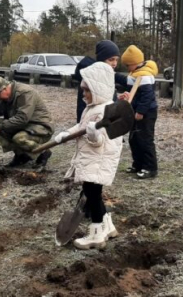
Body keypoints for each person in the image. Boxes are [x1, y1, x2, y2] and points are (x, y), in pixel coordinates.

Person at [54, 62, 122, 250]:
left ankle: (97, 234)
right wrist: (65, 134)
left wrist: (94, 135)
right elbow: (81, 127)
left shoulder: (106, 111)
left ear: (98, 89)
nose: (83, 95)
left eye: (87, 91)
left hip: (97, 161)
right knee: (94, 194)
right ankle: (108, 226)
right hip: (91, 160)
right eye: (82, 90)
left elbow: (101, 142)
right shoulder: (92, 107)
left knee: (93, 194)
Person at [0, 77, 54, 168]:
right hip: (25, 125)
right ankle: (21, 155)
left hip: (41, 127)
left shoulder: (25, 93)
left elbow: (22, 118)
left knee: (19, 138)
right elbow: (0, 111)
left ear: (5, 88)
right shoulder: (6, 96)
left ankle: (43, 152)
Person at [119, 45, 158, 179]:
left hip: (146, 113)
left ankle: (150, 168)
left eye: (127, 65)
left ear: (134, 63)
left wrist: (141, 111)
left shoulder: (145, 75)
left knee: (145, 140)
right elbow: (128, 85)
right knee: (134, 139)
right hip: (135, 111)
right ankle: (138, 164)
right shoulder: (135, 73)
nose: (126, 68)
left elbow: (147, 96)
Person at [73, 40, 129, 123]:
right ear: (101, 59)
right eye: (111, 59)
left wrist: (118, 100)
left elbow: (103, 101)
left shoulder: (104, 76)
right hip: (92, 125)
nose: (115, 63)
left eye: (116, 60)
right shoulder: (92, 78)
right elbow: (94, 106)